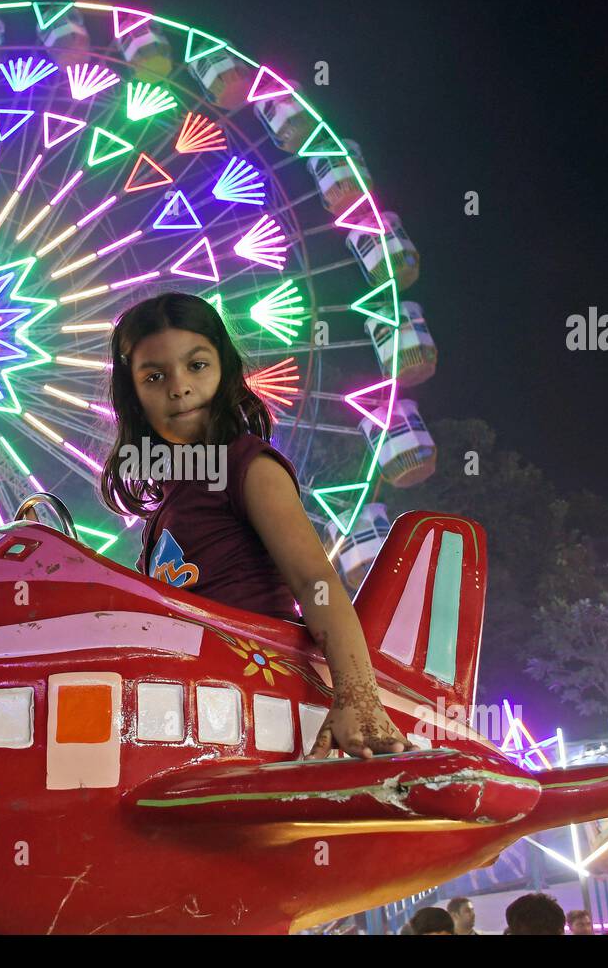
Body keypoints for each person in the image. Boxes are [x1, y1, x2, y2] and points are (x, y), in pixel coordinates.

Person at [99, 292, 406, 759]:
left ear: (224, 369)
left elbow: (315, 580)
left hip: (259, 702)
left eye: (196, 365)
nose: (178, 387)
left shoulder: (249, 467)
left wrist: (358, 698)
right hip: (195, 712)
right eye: (155, 376)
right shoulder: (168, 504)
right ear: (134, 395)